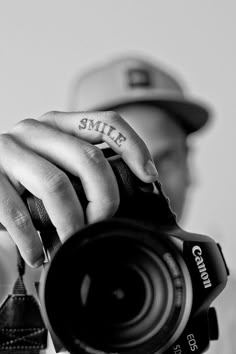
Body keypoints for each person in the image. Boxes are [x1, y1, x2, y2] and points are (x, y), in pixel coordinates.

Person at [0, 54, 233, 353]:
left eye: (163, 159)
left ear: (191, 168)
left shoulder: (233, 318)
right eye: (113, 166)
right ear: (57, 168)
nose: (150, 180)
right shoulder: (10, 289)